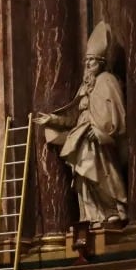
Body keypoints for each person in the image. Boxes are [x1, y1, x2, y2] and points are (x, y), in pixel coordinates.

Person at [33, 21, 128, 229]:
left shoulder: (107, 81)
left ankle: (112, 210)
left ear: (101, 64)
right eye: (86, 62)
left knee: (104, 176)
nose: (88, 66)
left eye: (92, 62)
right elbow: (75, 117)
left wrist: (103, 131)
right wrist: (53, 120)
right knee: (83, 177)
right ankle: (93, 215)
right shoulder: (85, 87)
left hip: (99, 139)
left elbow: (118, 112)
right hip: (82, 137)